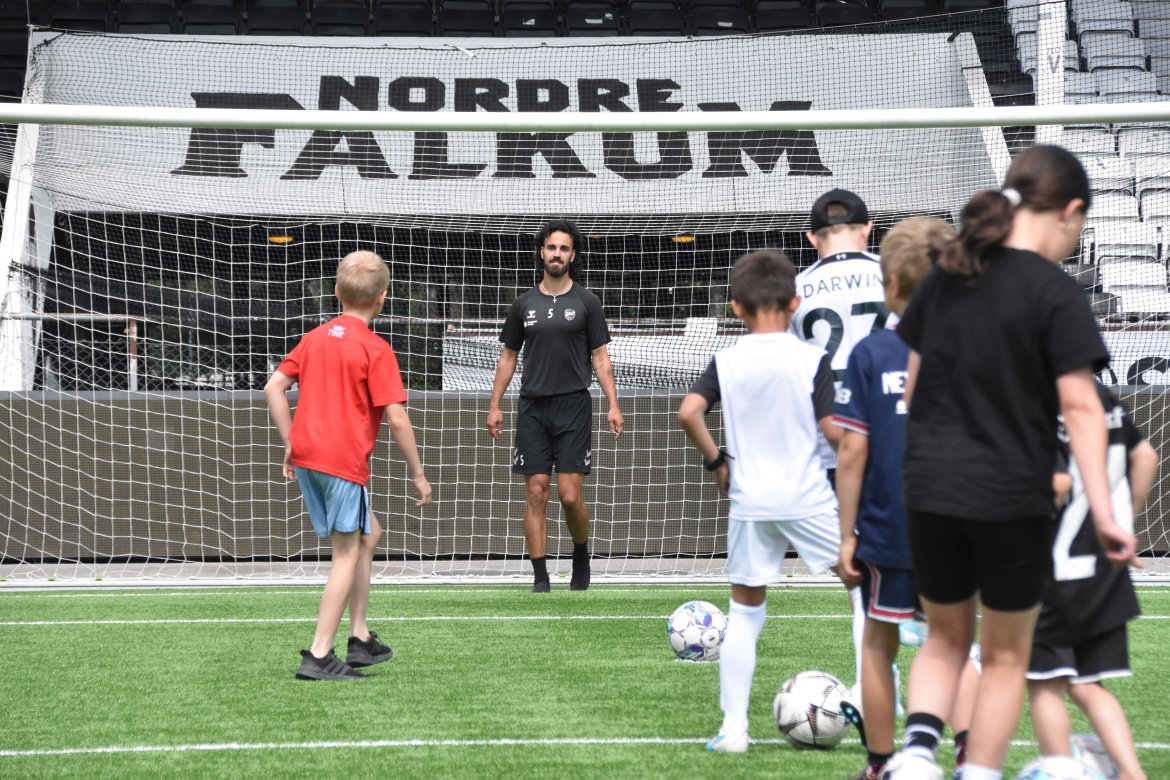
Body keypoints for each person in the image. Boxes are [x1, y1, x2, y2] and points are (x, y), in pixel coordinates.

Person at [887, 145, 1137, 780]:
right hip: (1010, 495)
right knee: (1004, 658)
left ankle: (916, 756)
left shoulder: (944, 274)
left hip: (930, 486)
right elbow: (1081, 409)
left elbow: (912, 389)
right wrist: (1107, 515)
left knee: (944, 638)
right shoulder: (1055, 291)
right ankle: (977, 772)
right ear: (1069, 212)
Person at [678, 249, 842, 753]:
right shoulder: (811, 359)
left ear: (735, 307)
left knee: (745, 611)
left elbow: (689, 412)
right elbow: (835, 432)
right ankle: (872, 698)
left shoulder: (727, 360)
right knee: (865, 590)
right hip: (808, 497)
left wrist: (717, 462)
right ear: (795, 303)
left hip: (750, 500)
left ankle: (733, 731)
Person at [265, 250, 433, 680]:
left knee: (369, 533)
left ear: (337, 291)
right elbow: (397, 418)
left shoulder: (314, 337)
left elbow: (273, 388)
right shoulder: (375, 348)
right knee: (346, 552)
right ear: (382, 298)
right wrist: (418, 474)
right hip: (341, 462)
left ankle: (359, 638)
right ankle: (319, 654)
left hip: (309, 458)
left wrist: (291, 442)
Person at [833, 217, 954, 780]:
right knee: (955, 644)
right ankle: (971, 760)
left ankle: (880, 764)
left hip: (890, 527)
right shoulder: (975, 349)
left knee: (879, 646)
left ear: (893, 284)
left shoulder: (873, 352)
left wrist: (846, 535)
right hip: (961, 522)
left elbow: (853, 449)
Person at [1026, 382, 1157, 780]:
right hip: (1103, 570)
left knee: (1045, 684)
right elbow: (1146, 456)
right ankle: (1132, 773)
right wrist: (1121, 525)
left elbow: (1057, 486)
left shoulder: (1036, 396)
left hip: (1052, 571)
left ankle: (1060, 771)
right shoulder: (1103, 397)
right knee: (1087, 684)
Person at [792, 188, 891, 706]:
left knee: (858, 576)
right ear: (868, 228)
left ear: (812, 238)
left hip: (830, 446)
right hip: (897, 438)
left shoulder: (797, 289)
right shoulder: (894, 276)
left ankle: (876, 689)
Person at [486, 219, 623, 593]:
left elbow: (600, 358)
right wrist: (494, 405)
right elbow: (508, 357)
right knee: (536, 491)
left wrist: (613, 404)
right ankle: (541, 579)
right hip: (532, 408)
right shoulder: (523, 304)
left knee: (569, 495)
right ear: (542, 253)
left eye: (564, 248)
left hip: (573, 406)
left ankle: (580, 554)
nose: (557, 254)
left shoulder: (587, 302)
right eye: (551, 247)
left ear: (573, 255)